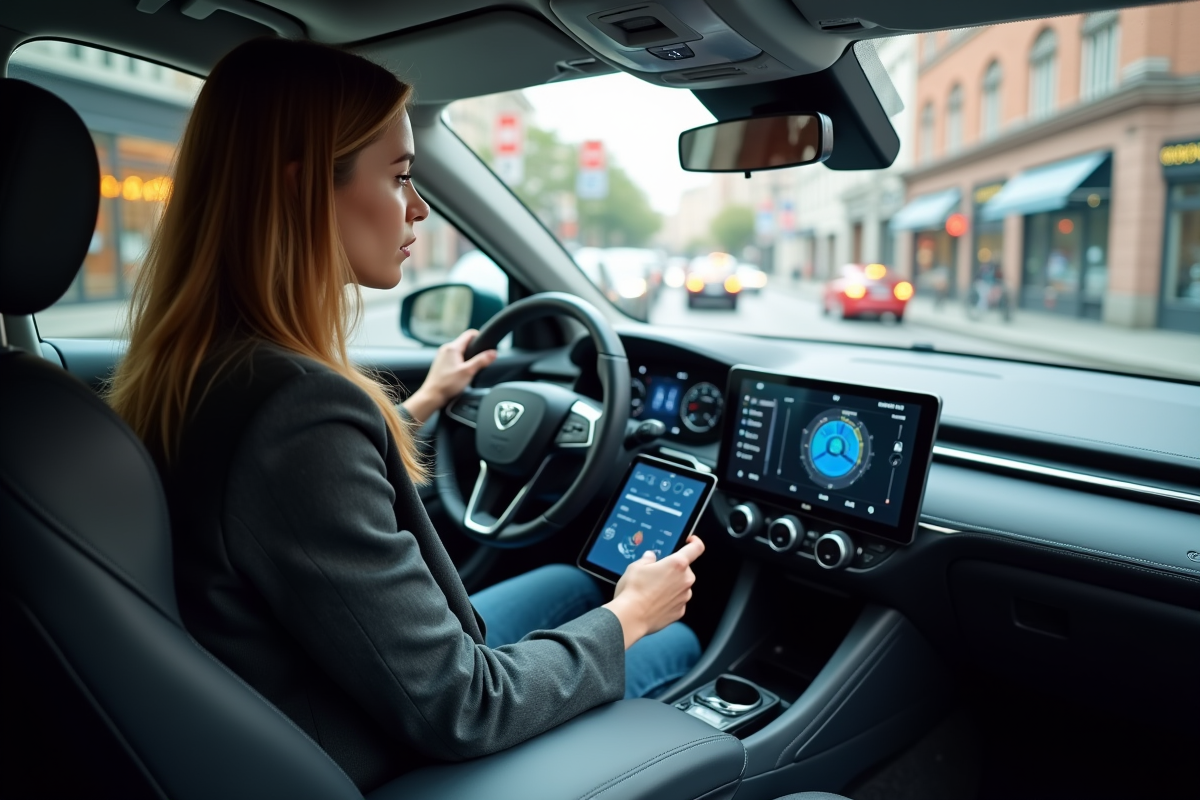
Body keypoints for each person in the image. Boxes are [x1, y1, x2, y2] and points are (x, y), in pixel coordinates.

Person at [106, 37, 704, 793]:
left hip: (306, 692)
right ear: (300, 191)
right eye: (399, 177)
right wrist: (633, 619)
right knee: (670, 635)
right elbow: (464, 707)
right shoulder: (301, 415)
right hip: (365, 747)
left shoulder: (196, 365)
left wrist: (420, 406)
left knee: (571, 583)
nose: (419, 206)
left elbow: (299, 507)